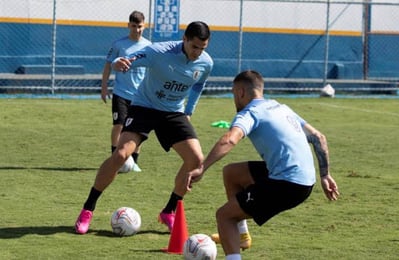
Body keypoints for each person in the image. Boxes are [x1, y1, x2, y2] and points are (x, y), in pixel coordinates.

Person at [75, 21, 213, 234]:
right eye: (194, 47)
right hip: (145, 107)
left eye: (202, 48)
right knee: (120, 155)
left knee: (196, 160)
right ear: (184, 39)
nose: (198, 53)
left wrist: (189, 110)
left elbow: (198, 85)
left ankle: (169, 211)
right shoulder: (160, 51)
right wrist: (120, 63)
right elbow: (131, 60)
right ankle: (88, 208)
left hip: (173, 112)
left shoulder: (206, 63)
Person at [188, 70, 339, 260]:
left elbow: (229, 140)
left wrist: (203, 167)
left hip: (287, 184)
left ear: (241, 92)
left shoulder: (250, 113)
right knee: (232, 173)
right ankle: (242, 236)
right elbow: (318, 137)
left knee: (224, 216)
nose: (234, 99)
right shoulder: (280, 107)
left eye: (234, 94)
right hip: (304, 179)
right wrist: (325, 175)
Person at [101, 10, 151, 173]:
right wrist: (104, 87)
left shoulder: (149, 46)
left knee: (138, 129)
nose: (137, 29)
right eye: (134, 26)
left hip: (140, 96)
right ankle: (115, 158)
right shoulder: (119, 45)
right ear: (128, 25)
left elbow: (152, 69)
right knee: (119, 125)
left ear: (145, 26)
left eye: (140, 26)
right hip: (121, 93)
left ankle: (134, 161)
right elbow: (109, 65)